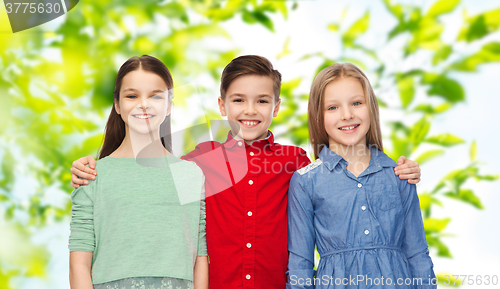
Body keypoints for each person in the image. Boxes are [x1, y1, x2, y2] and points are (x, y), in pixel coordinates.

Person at [69, 55, 422, 289]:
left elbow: (343, 184)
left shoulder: (296, 163)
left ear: (277, 106)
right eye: (238, 100)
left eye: (262, 100)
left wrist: (398, 169)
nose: (249, 110)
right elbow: (146, 187)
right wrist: (91, 168)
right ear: (222, 105)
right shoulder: (200, 161)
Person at [286, 63, 435, 289]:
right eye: (333, 107)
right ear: (318, 116)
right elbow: (300, 265)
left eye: (356, 103)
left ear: (371, 107)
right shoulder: (306, 182)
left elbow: (417, 254)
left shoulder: (399, 175)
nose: (347, 115)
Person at [68, 55, 208, 289]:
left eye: (155, 96)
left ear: (169, 105)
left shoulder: (191, 175)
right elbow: (79, 264)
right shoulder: (93, 175)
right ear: (117, 105)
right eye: (132, 96)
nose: (144, 104)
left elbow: (200, 257)